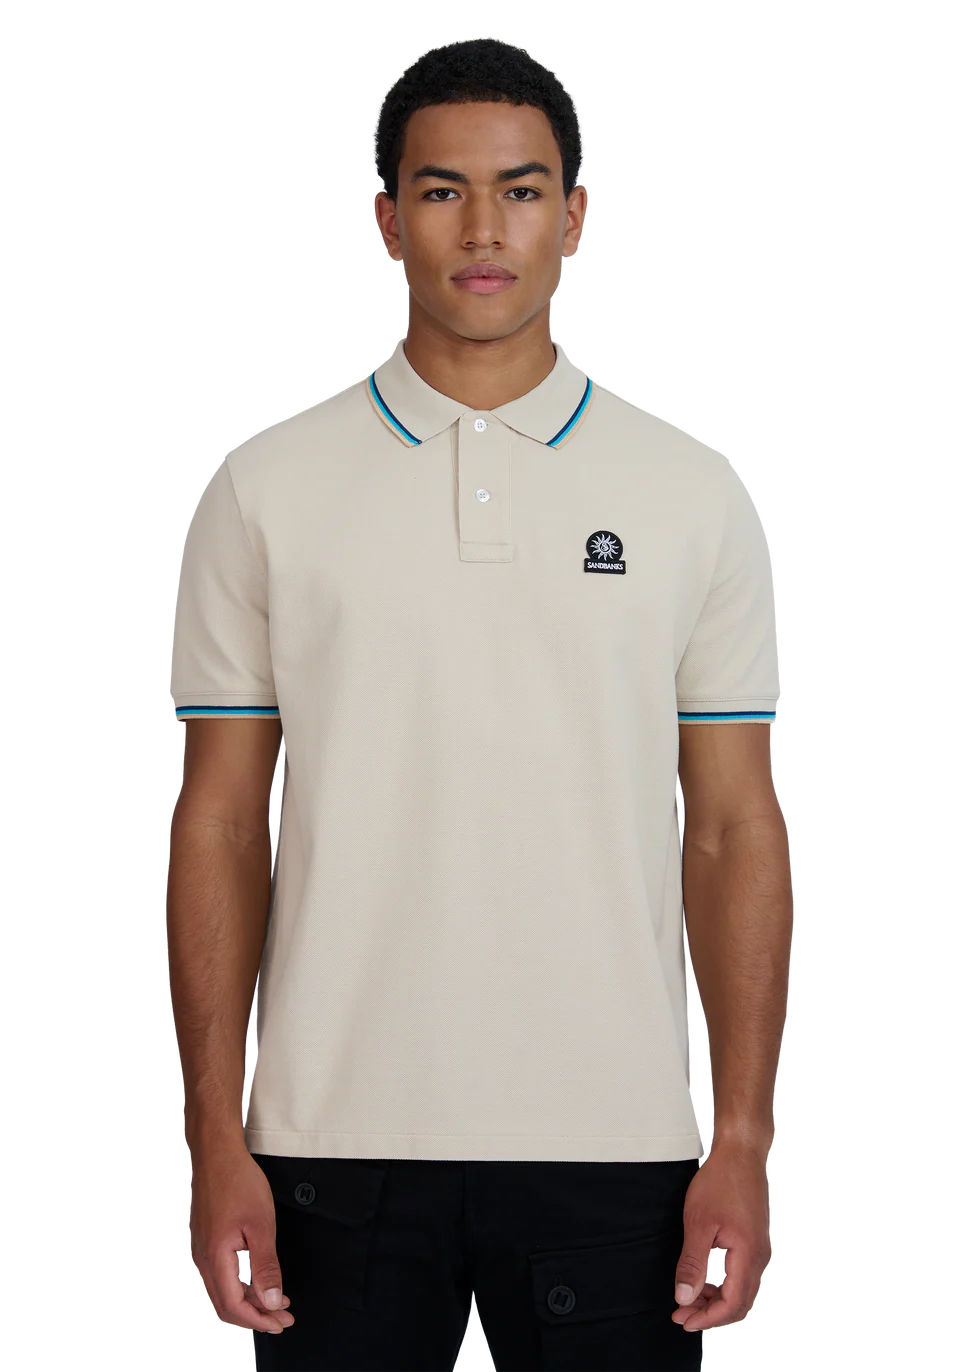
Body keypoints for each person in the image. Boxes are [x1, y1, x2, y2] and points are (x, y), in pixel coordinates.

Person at [166, 36, 795, 1372]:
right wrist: (215, 1138)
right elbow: (218, 825)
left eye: (520, 189)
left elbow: (736, 827)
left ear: (576, 213)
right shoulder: (265, 487)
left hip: (617, 1142)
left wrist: (740, 1136)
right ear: (386, 218)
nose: (484, 229)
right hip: (333, 1146)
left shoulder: (692, 488)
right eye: (441, 190)